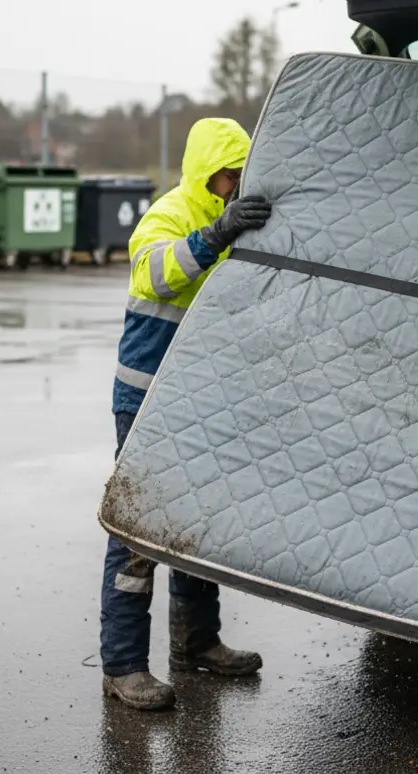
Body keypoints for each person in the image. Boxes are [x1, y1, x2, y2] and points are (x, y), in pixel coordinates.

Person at [101, 117, 272, 711]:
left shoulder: (245, 221)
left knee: (198, 527)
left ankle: (197, 642)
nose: (236, 185)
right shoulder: (169, 215)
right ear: (208, 174)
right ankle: (123, 666)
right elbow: (152, 272)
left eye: (241, 176)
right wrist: (215, 235)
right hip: (148, 399)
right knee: (137, 535)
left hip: (203, 400)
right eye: (229, 176)